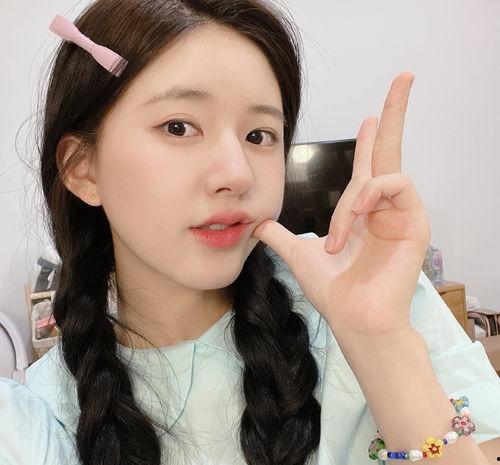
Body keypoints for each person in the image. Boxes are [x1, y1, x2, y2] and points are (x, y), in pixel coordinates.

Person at [1, 1, 499, 464]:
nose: (238, 174)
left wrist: (381, 343)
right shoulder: (37, 421)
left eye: (259, 135)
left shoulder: (362, 287)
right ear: (82, 167)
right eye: (179, 127)